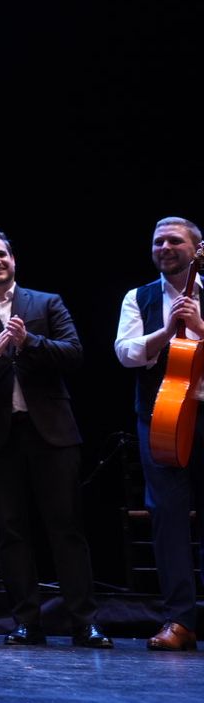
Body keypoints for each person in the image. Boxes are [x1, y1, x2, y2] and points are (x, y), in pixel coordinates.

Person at [0, 229, 109, 647]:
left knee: (66, 527)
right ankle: (26, 621)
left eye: (1, 254)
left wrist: (29, 342)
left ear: (13, 259)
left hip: (51, 431)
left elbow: (74, 353)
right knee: (11, 531)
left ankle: (83, 622)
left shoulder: (46, 302)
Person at [114, 216, 203, 651]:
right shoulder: (140, 297)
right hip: (162, 415)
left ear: (197, 249)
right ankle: (180, 620)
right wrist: (167, 331)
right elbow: (127, 353)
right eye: (158, 242)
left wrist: (201, 329)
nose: (164, 247)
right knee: (167, 515)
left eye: (174, 241)